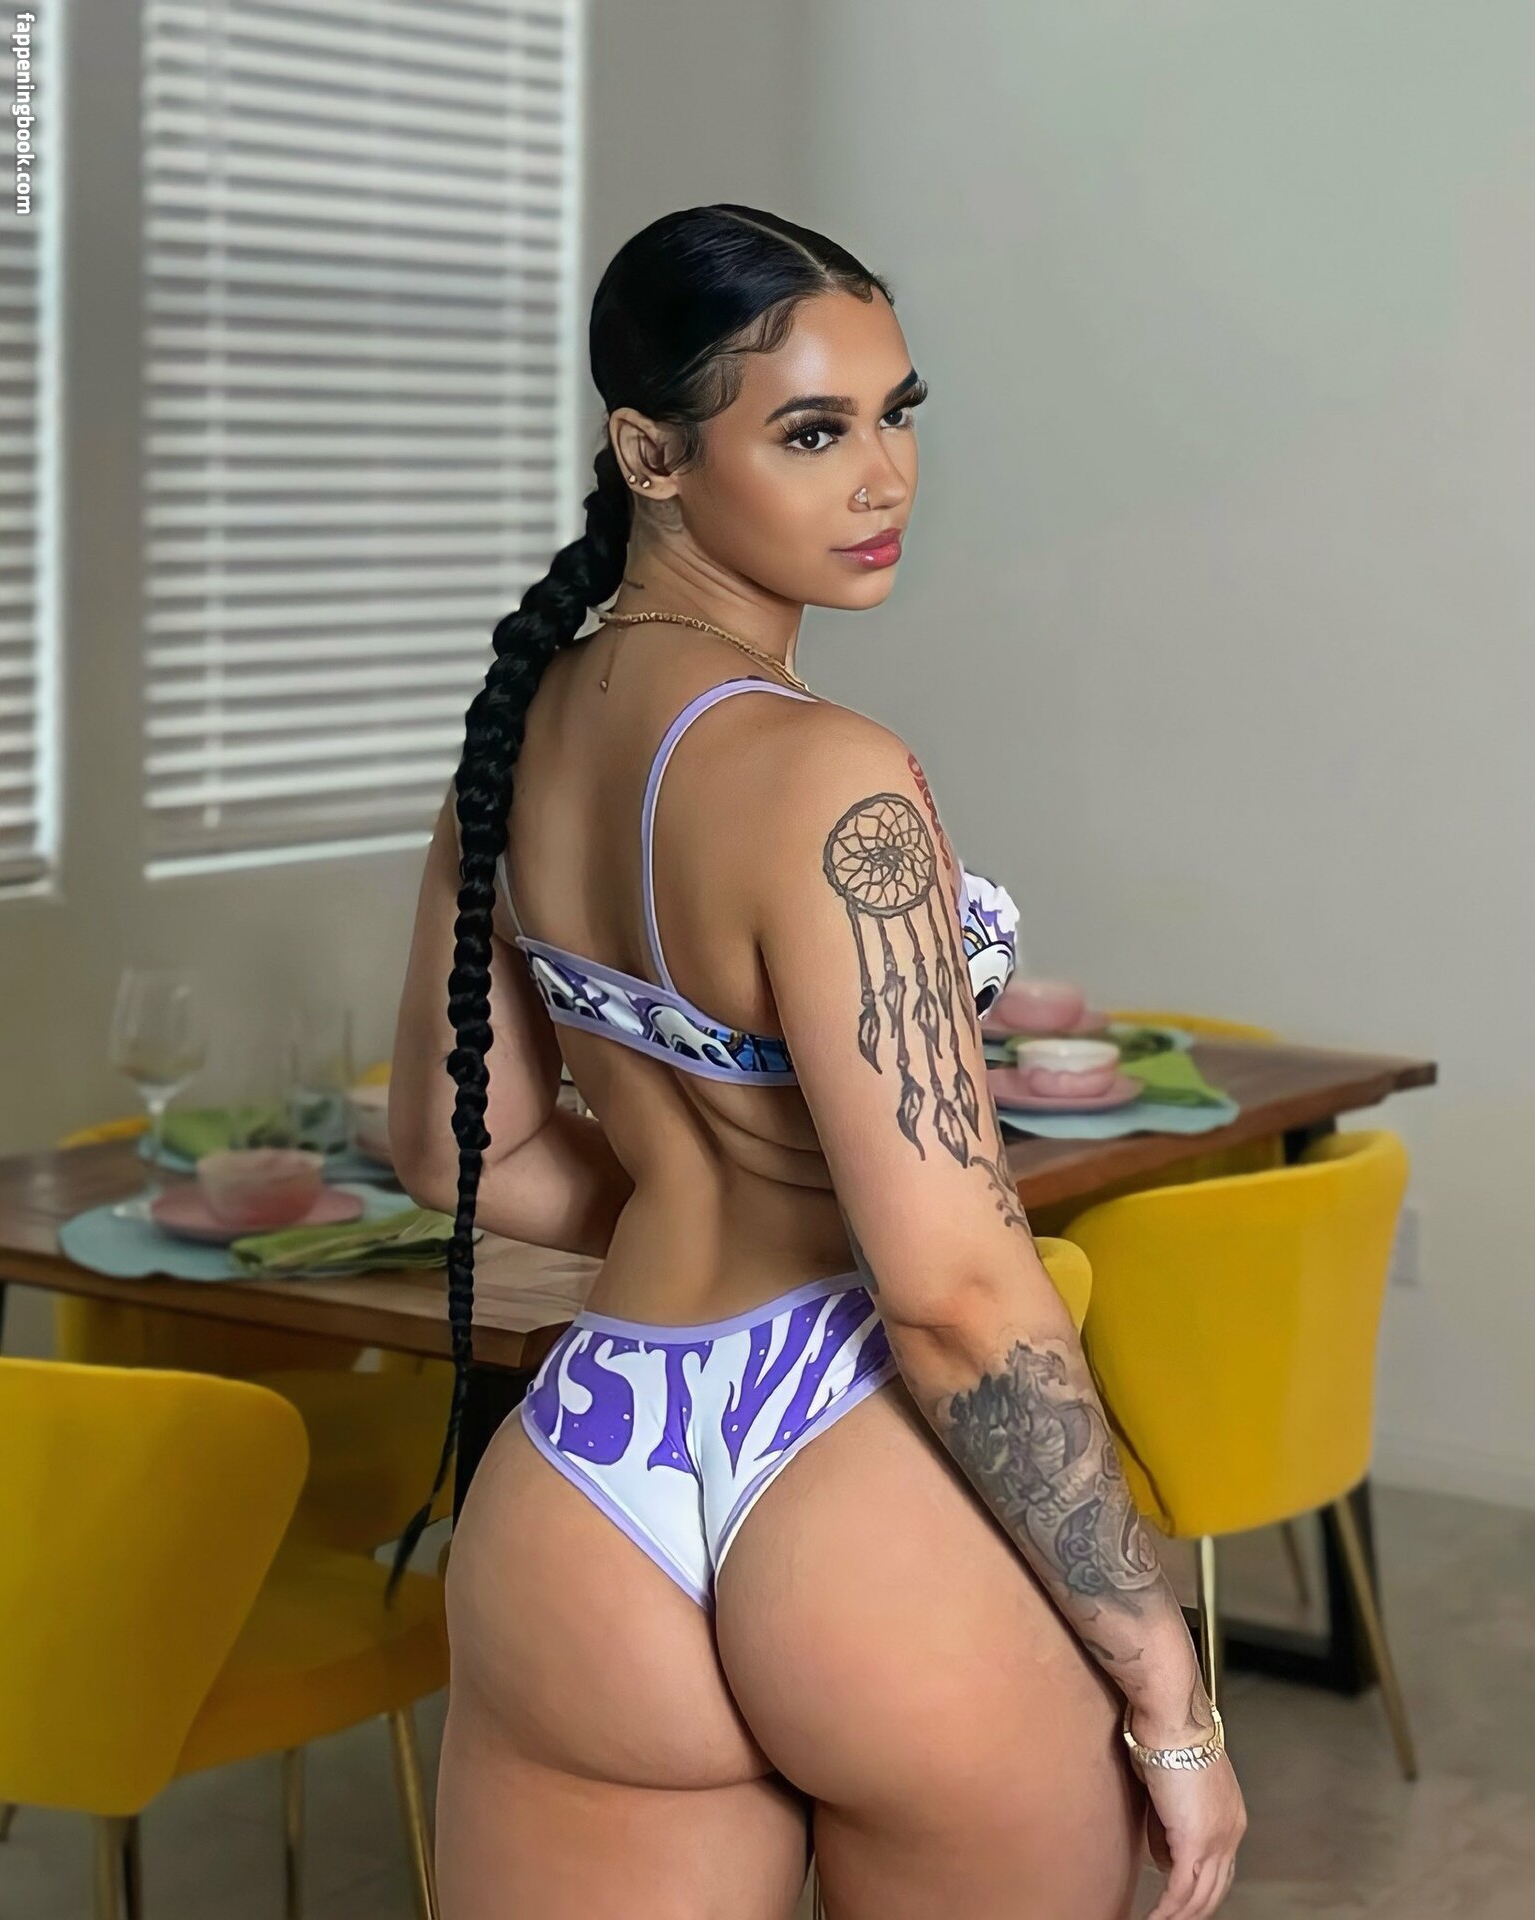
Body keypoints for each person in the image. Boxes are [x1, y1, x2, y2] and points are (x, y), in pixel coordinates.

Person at [389, 204, 1246, 1920]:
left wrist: (691, 1195)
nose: (883, 477)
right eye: (810, 431)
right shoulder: (829, 775)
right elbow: (952, 1296)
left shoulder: (515, 738)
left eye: (896, 414)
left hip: (591, 1483)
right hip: (849, 1468)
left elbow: (458, 1151)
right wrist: (1167, 1682)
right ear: (650, 453)